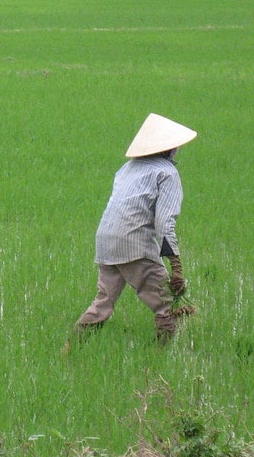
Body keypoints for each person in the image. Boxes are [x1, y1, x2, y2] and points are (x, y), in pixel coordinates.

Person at [74, 113, 197, 344]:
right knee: (166, 304)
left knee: (103, 303)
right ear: (168, 148)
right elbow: (165, 223)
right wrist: (176, 267)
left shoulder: (126, 168)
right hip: (134, 244)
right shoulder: (167, 173)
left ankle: (71, 349)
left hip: (106, 240)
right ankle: (162, 359)